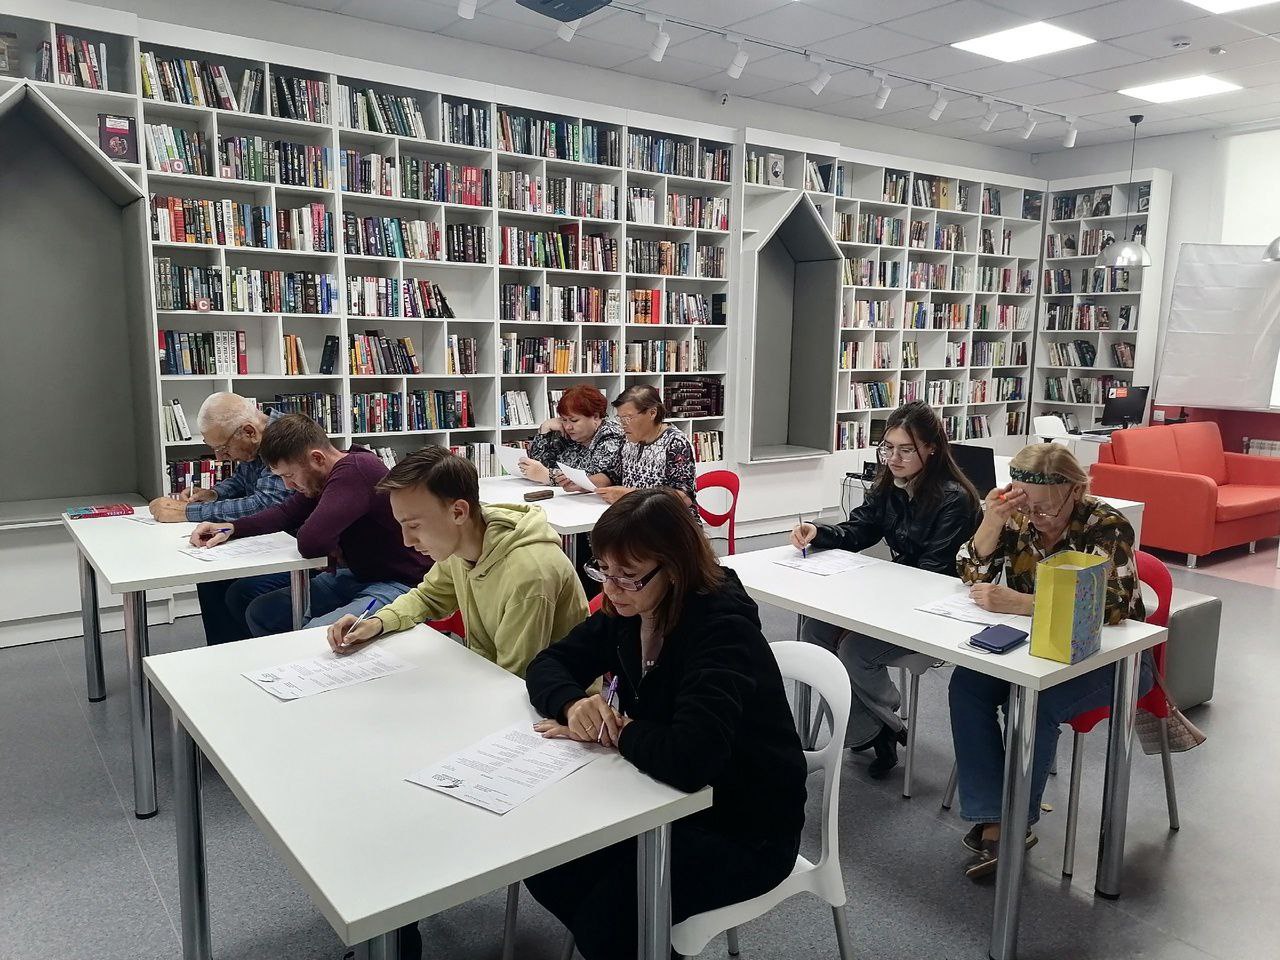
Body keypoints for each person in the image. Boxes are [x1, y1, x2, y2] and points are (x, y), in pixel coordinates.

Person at [522, 488, 807, 960]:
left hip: (746, 827)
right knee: (545, 864)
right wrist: (573, 705)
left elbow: (692, 758)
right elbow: (548, 663)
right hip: (657, 798)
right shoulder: (629, 609)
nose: (610, 589)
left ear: (673, 568)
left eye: (627, 576)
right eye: (602, 571)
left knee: (609, 919)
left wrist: (616, 729)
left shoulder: (721, 629)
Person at [949, 442, 1152, 880]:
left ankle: (1010, 826)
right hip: (1039, 650)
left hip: (1115, 659)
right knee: (967, 685)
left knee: (1036, 703)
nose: (1035, 516)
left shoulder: (1105, 525)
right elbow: (969, 573)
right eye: (1026, 504)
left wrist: (1025, 603)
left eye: (1045, 507)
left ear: (1076, 490)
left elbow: (1115, 605)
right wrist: (992, 520)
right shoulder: (1018, 517)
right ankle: (992, 812)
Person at [791, 401, 981, 779]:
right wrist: (819, 532)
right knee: (814, 632)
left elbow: (932, 573)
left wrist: (868, 596)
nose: (893, 458)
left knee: (854, 650)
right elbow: (860, 529)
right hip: (893, 598)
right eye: (888, 448)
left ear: (931, 448)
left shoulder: (954, 499)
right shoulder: (889, 485)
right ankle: (880, 728)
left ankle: (880, 726)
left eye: (905, 450)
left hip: (934, 608)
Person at [325, 444, 589, 677]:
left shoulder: (528, 574)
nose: (406, 541)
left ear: (459, 512)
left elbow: (514, 678)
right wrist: (378, 622)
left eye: (414, 525)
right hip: (491, 675)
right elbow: (429, 597)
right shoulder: (462, 544)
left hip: (554, 706)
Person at [187, 414, 429, 638]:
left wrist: (330, 544)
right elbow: (285, 513)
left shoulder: (354, 471)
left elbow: (312, 541)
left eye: (289, 476)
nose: (288, 486)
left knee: (315, 635)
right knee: (261, 611)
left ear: (317, 458)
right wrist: (231, 528)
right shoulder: (323, 475)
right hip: (356, 575)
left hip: (399, 583)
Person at [149, 393, 291, 645]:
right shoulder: (256, 440)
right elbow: (242, 480)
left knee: (239, 591)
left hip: (296, 547)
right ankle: (223, 654)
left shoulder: (286, 441)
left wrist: (185, 512)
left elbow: (265, 503)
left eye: (223, 448)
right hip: (270, 539)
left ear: (249, 432)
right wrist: (213, 494)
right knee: (210, 579)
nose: (219, 458)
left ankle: (247, 655)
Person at [589, 384, 697, 511]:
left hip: (669, 519)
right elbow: (612, 475)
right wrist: (582, 483)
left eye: (628, 418)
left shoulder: (675, 443)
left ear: (652, 413)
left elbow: (684, 497)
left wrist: (631, 495)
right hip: (633, 514)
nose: (623, 425)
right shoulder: (628, 439)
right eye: (620, 418)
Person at [520, 384, 624, 490]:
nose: (568, 427)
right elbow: (536, 466)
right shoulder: (565, 432)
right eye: (564, 419)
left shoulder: (611, 436)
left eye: (574, 420)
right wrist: (545, 428)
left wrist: (549, 476)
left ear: (596, 417)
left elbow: (593, 480)